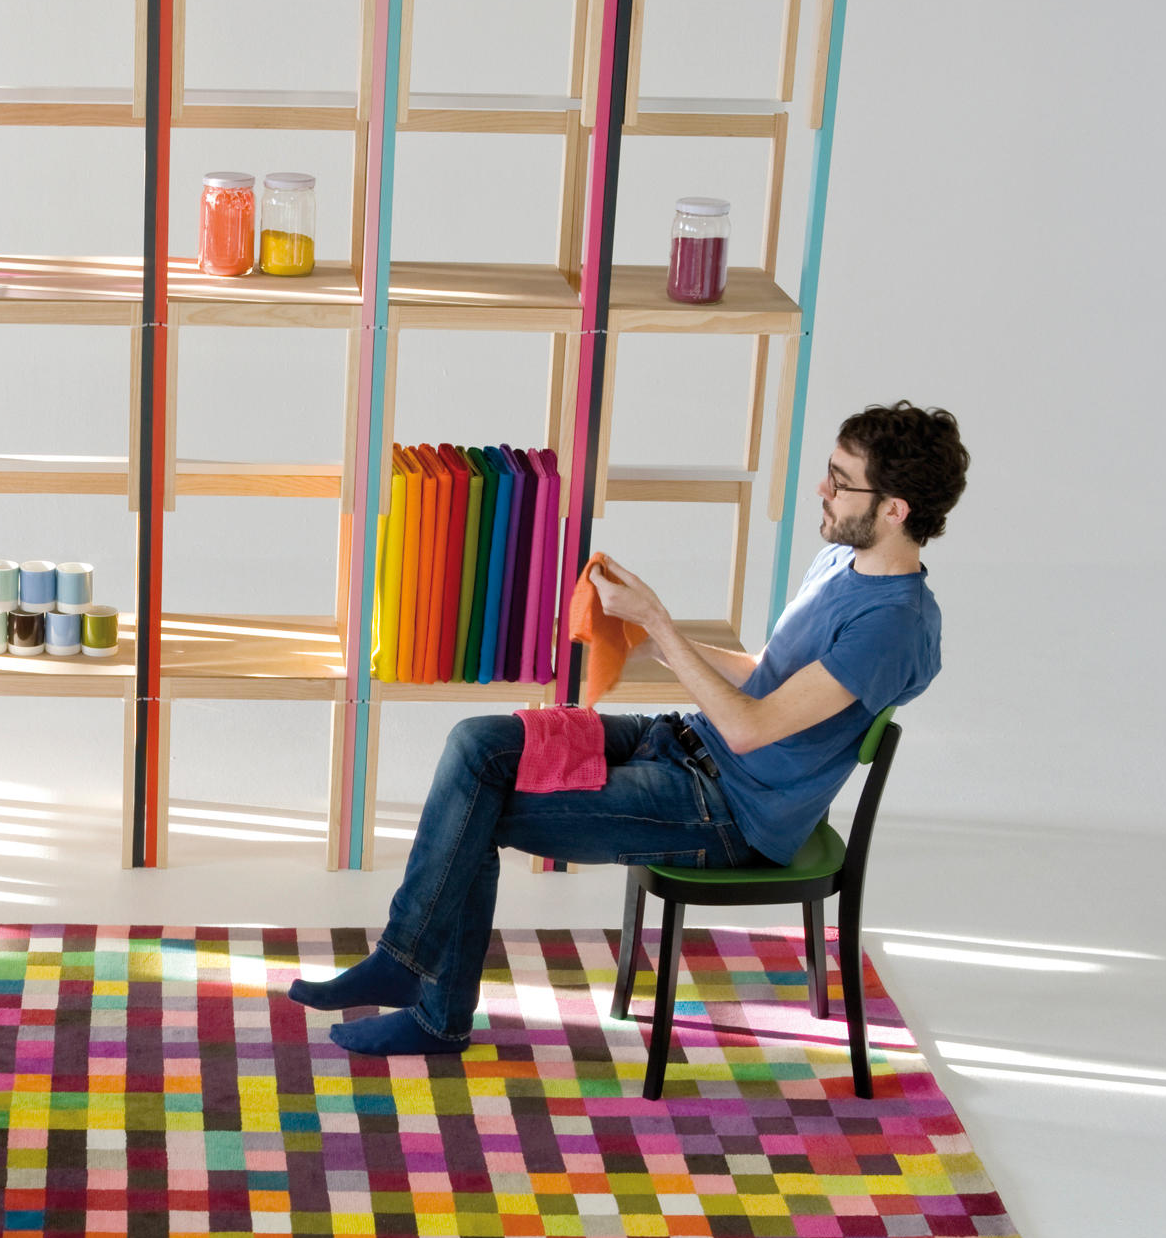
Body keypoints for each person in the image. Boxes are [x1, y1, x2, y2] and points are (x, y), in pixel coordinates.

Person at [291, 402, 965, 1056]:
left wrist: (661, 624)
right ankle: (405, 966)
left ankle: (423, 998)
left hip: (726, 814)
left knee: (474, 811)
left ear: (894, 510)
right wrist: (643, 636)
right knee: (478, 744)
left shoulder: (892, 627)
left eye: (840, 482)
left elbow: (750, 728)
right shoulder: (842, 562)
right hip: (679, 744)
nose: (822, 489)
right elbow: (766, 673)